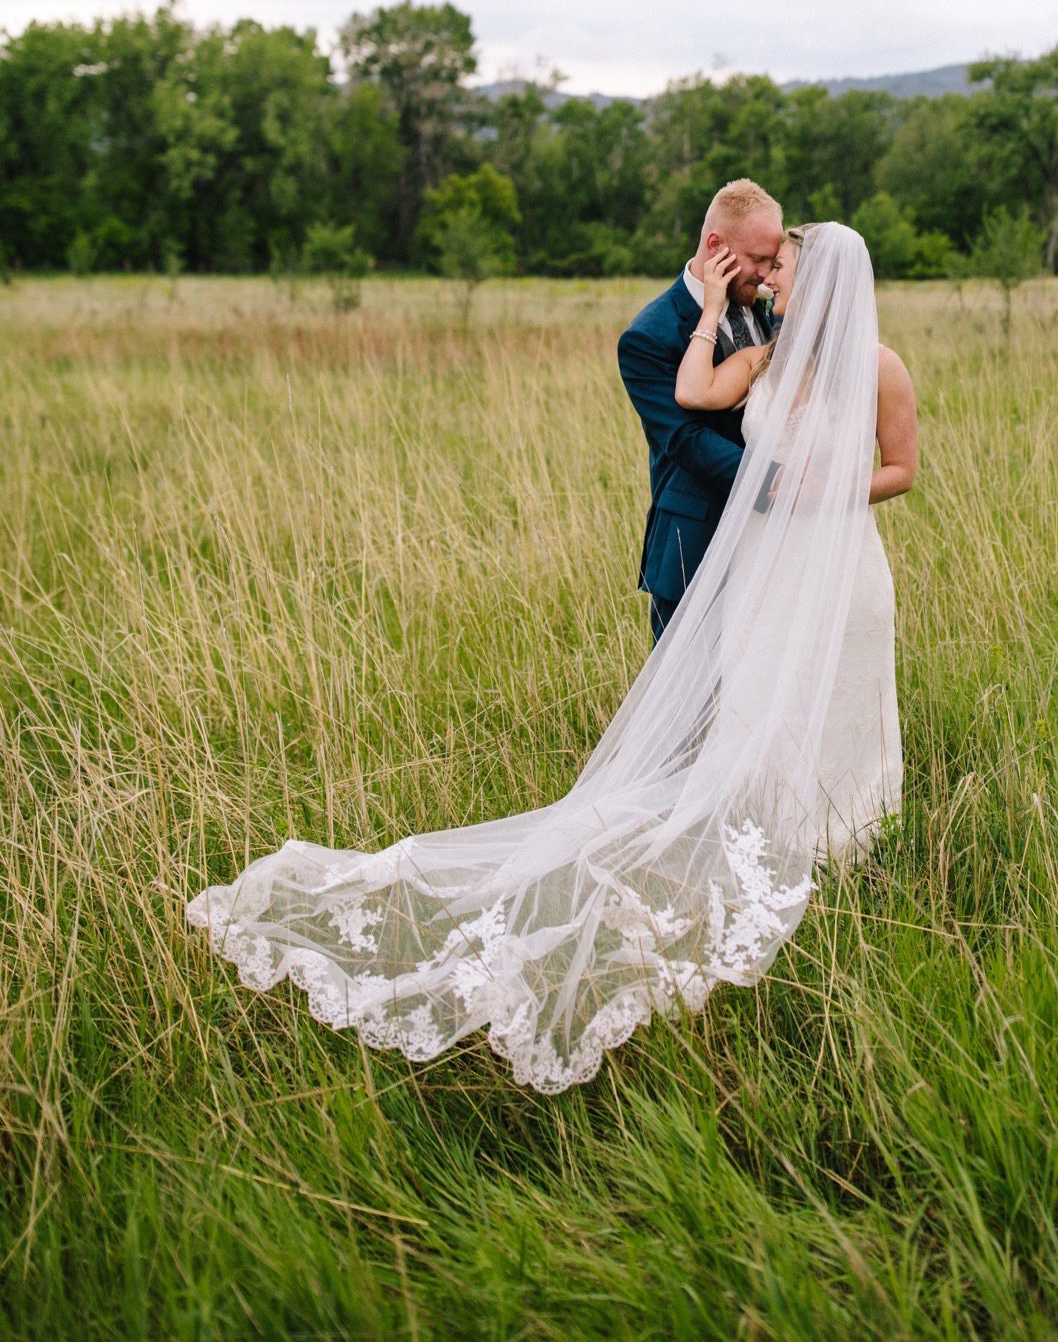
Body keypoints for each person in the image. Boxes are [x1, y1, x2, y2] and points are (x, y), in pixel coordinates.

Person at [186, 221, 918, 1094]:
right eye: (767, 264)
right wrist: (716, 312)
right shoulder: (762, 351)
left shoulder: (876, 364)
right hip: (767, 567)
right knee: (760, 707)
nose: (770, 278)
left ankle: (849, 838)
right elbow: (689, 405)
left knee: (841, 703)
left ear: (827, 280)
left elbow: (902, 467)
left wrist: (822, 492)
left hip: (840, 564)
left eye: (781, 267)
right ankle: (769, 826)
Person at [616, 178, 785, 643]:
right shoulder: (649, 336)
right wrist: (776, 480)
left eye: (774, 262)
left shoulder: (771, 311)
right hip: (696, 539)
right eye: (758, 260)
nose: (768, 275)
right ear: (717, 246)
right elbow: (686, 439)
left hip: (774, 540)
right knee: (684, 701)